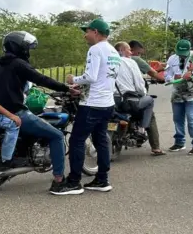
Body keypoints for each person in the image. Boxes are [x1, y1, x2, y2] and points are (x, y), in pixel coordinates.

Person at [0, 31, 81, 195]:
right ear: (20, 47)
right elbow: (41, 79)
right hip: (15, 112)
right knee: (57, 136)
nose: (28, 51)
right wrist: (67, 88)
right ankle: (59, 181)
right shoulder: (18, 64)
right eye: (27, 47)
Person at [61, 18, 120, 194]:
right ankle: (102, 179)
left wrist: (74, 80)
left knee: (77, 140)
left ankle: (73, 182)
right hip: (107, 103)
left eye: (86, 32)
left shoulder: (95, 49)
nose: (85, 36)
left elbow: (91, 76)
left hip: (92, 104)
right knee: (100, 139)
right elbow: (104, 78)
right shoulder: (114, 52)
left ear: (95, 32)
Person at [164, 39, 193, 155]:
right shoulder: (172, 58)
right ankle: (179, 142)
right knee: (177, 118)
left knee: (192, 118)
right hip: (177, 91)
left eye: (183, 53)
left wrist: (192, 74)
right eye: (179, 53)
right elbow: (167, 74)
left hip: (192, 92)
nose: (181, 55)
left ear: (189, 50)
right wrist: (171, 79)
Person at [128, 40, 165, 156]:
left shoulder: (113, 60)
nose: (139, 56)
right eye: (138, 53)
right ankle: (156, 147)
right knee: (150, 113)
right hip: (132, 98)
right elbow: (153, 73)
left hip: (114, 97)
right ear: (131, 50)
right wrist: (162, 79)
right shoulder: (135, 60)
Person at [113, 41, 155, 135]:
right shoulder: (131, 62)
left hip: (110, 100)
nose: (131, 53)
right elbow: (139, 84)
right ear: (121, 50)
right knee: (150, 100)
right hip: (127, 102)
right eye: (129, 50)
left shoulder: (108, 61)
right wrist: (143, 94)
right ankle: (142, 128)